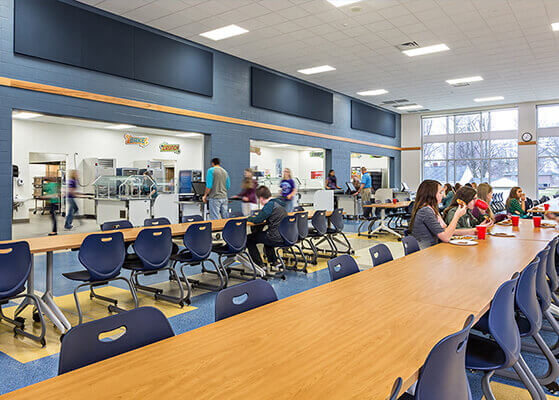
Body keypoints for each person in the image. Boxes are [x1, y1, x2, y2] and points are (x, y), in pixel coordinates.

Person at [409, 179, 478, 250]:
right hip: (426, 252)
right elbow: (446, 237)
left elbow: (445, 230)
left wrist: (472, 231)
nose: (443, 195)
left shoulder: (433, 209)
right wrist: (457, 216)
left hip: (433, 249)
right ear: (431, 194)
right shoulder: (426, 211)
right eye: (440, 192)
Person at [246, 186, 287, 272]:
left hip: (274, 237)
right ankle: (274, 262)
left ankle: (259, 264)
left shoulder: (269, 205)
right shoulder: (279, 203)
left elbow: (258, 220)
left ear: (261, 198)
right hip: (284, 235)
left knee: (249, 239)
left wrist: (248, 218)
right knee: (266, 235)